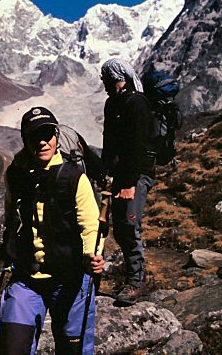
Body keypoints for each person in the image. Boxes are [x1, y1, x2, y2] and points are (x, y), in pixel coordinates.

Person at [0, 107, 104, 355]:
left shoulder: (74, 177)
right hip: (28, 278)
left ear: (56, 137)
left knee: (73, 350)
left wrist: (91, 256)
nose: (42, 142)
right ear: (26, 141)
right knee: (12, 348)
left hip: (71, 277)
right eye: (34, 136)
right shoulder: (17, 176)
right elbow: (12, 216)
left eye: (47, 134)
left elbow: (90, 223)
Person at [100, 59, 157, 306]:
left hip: (136, 175)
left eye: (106, 79)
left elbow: (137, 146)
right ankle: (133, 277)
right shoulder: (113, 104)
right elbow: (109, 142)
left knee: (129, 224)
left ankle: (137, 282)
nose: (103, 84)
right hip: (121, 175)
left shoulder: (136, 103)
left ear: (116, 79)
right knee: (121, 228)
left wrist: (130, 183)